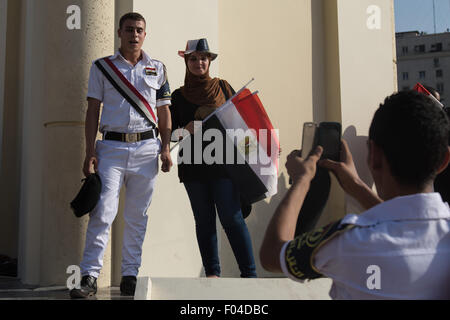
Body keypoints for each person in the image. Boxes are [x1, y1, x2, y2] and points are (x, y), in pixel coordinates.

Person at [260, 91, 450, 299]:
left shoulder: (348, 239)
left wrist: (302, 180)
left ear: (374, 155)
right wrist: (356, 186)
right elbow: (402, 222)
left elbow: (272, 254)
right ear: (444, 160)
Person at [70, 12, 173, 299]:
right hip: (112, 148)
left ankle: (130, 275)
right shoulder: (102, 67)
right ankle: (89, 276)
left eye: (139, 30)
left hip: (147, 149)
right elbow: (93, 110)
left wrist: (165, 147)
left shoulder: (158, 67)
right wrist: (89, 150)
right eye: (129, 29)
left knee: (137, 215)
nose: (134, 34)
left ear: (145, 33)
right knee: (102, 212)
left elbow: (164, 111)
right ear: (119, 32)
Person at [169, 38, 257, 278]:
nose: (199, 63)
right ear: (186, 62)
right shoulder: (177, 97)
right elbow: (170, 135)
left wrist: (260, 148)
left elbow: (242, 123)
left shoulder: (224, 87)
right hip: (193, 167)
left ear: (210, 61)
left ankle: (249, 276)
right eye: (194, 59)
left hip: (224, 165)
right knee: (204, 221)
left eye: (203, 58)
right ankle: (212, 275)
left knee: (232, 217)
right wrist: (185, 130)